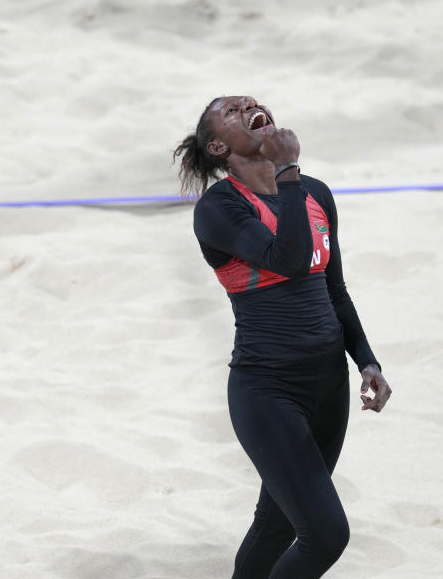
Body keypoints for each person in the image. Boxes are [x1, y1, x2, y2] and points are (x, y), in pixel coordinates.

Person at [173, 96, 392, 578]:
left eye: (250, 100)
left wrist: (367, 361)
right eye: (231, 111)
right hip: (267, 390)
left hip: (328, 387)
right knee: (327, 535)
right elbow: (287, 257)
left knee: (277, 528)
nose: (248, 104)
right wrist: (287, 168)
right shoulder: (219, 208)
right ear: (217, 146)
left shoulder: (315, 193)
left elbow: (333, 288)